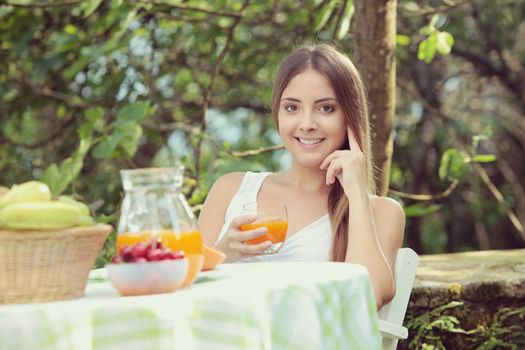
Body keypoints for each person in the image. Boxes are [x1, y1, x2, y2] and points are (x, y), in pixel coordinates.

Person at [197, 43, 405, 309]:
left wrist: (357, 195)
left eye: (326, 108)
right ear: (278, 114)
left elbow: (367, 297)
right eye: (292, 108)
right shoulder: (232, 189)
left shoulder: (380, 212)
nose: (306, 124)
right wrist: (225, 253)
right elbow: (184, 291)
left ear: (350, 117)